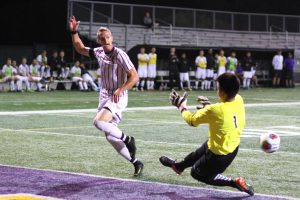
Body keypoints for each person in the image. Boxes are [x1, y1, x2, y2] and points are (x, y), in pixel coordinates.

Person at [69, 16, 143, 176]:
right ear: (99, 40)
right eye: (102, 38)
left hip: (118, 96)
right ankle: (136, 162)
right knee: (110, 136)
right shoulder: (98, 52)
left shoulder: (120, 55)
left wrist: (121, 89)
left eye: (107, 37)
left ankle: (128, 139)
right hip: (104, 96)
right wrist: (74, 31)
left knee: (97, 122)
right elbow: (80, 47)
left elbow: (135, 76)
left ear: (112, 38)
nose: (105, 40)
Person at [160, 73, 254, 196]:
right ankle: (178, 167)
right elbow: (225, 113)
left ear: (223, 93)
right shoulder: (239, 99)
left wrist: (181, 106)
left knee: (196, 172)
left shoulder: (215, 110)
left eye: (218, 88)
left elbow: (192, 120)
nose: (217, 89)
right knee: (200, 152)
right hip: (231, 146)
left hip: (219, 156)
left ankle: (233, 182)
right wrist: (209, 107)